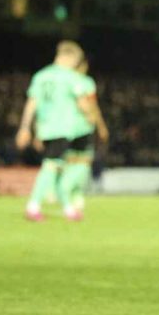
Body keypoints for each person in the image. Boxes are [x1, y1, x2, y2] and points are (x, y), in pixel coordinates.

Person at [15, 41, 98, 221]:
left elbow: (32, 103)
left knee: (58, 167)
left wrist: (25, 128)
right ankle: (33, 205)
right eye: (75, 61)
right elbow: (82, 102)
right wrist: (92, 117)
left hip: (45, 128)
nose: (75, 65)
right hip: (63, 128)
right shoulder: (70, 77)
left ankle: (68, 209)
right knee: (51, 166)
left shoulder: (41, 76)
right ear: (69, 58)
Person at [60, 57, 109, 220]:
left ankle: (71, 193)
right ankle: (73, 193)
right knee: (84, 162)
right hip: (82, 127)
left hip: (64, 128)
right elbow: (91, 105)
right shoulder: (86, 82)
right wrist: (100, 125)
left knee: (69, 162)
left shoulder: (63, 79)